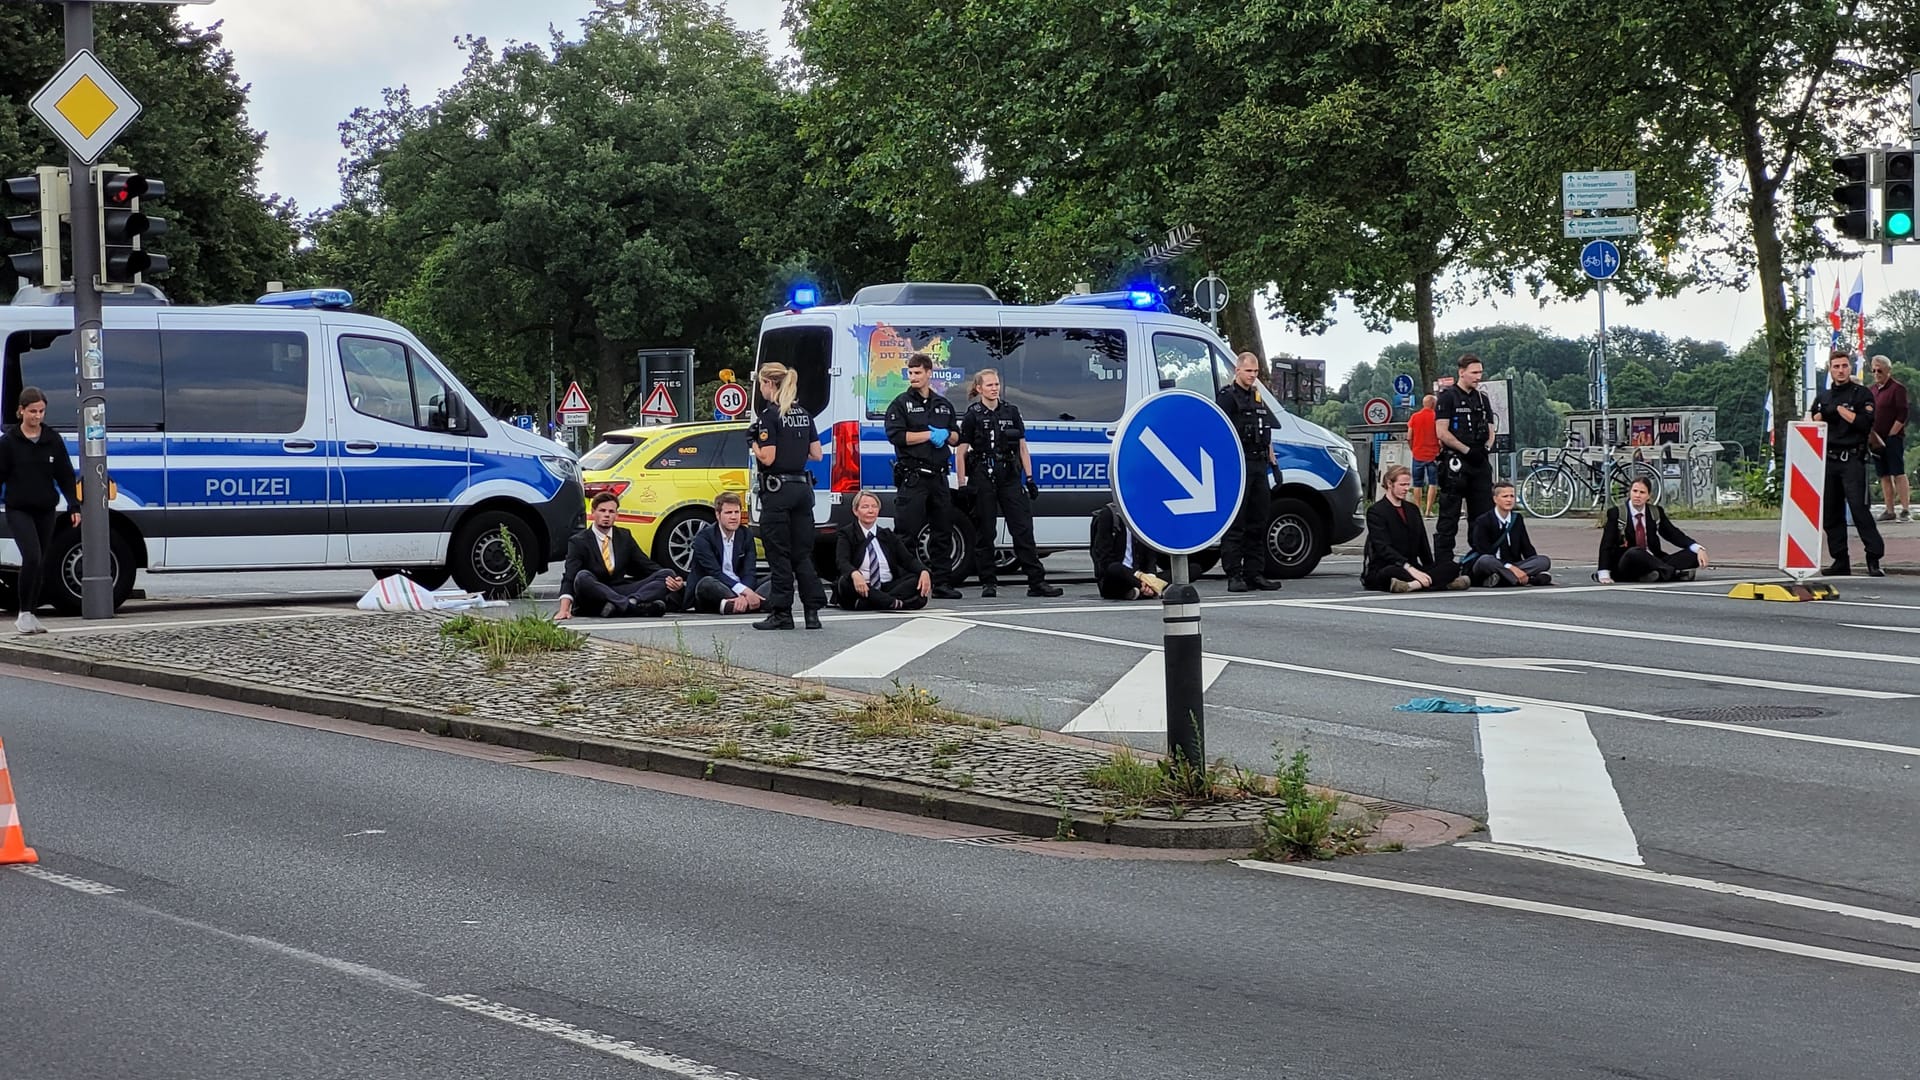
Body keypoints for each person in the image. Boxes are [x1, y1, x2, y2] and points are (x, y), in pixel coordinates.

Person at [955, 368, 1061, 598]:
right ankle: (988, 583)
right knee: (986, 531)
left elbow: (1022, 447)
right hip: (983, 475)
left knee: (1022, 529)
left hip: (1009, 475)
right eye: (989, 385)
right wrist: (962, 483)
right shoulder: (973, 415)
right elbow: (960, 452)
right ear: (979, 388)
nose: (994, 388)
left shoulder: (1011, 411)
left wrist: (1030, 478)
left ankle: (1036, 582)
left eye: (996, 384)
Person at [748, 362, 829, 628]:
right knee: (802, 553)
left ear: (769, 384)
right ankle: (812, 612)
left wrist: (754, 444)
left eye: (762, 384)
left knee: (779, 552)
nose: (761, 389)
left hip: (778, 491)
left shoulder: (770, 416)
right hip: (802, 490)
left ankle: (781, 613)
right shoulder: (805, 414)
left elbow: (768, 457)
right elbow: (816, 454)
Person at [883, 352, 963, 599]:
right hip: (914, 476)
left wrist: (945, 435)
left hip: (938, 477)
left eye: (918, 373)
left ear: (929, 373)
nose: (914, 377)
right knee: (906, 533)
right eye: (911, 372)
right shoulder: (900, 403)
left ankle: (942, 583)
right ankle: (905, 583)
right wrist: (928, 435)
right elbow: (898, 436)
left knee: (942, 532)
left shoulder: (942, 404)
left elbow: (956, 436)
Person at [0, 387, 80, 633]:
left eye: (41, 411)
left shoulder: (52, 439)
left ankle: (31, 612)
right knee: (31, 556)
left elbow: (65, 474)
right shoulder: (9, 442)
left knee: (40, 562)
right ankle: (23, 614)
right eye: (32, 411)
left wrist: (73, 505)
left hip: (46, 509)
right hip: (18, 509)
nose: (37, 416)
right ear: (21, 411)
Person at [1810, 349, 1885, 576]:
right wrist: (1824, 415)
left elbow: (1864, 423)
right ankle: (1840, 560)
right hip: (1829, 459)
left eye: (1844, 366)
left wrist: (1840, 411)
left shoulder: (1862, 394)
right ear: (1830, 369)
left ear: (1849, 367)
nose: (1840, 370)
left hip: (1852, 458)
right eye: (1836, 367)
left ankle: (1873, 558)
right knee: (1831, 514)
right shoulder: (1823, 397)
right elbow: (1814, 422)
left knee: (1859, 511)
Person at [554, 492, 681, 619]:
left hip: (620, 590)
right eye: (602, 511)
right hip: (594, 594)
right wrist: (564, 609)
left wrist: (674, 579)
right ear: (593, 512)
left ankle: (628, 603)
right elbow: (570, 577)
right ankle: (633, 607)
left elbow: (646, 565)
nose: (606, 515)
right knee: (582, 577)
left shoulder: (624, 536)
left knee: (666, 574)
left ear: (616, 514)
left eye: (611, 512)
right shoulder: (578, 541)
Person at [1216, 351, 1281, 593]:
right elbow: (1220, 432)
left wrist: (1272, 458)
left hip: (1258, 463)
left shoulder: (1256, 396)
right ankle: (1234, 574)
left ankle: (1255, 573)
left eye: (1255, 372)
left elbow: (1264, 429)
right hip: (1237, 465)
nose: (1253, 376)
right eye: (1248, 371)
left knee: (1259, 520)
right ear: (1237, 370)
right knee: (1237, 523)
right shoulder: (1227, 397)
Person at [1432, 354, 1497, 582]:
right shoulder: (1448, 397)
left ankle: (1479, 563)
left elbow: (1491, 428)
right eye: (1474, 373)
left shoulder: (1481, 398)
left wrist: (1485, 448)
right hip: (1456, 461)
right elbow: (1442, 431)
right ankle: (1443, 564)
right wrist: (1466, 450)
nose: (1478, 377)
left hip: (1479, 461)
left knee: (1482, 516)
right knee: (1449, 516)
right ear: (1462, 372)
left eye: (1480, 373)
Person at [1363, 464, 1462, 593]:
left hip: (1413, 566)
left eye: (1407, 484)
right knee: (1390, 573)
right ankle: (1441, 583)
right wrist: (1409, 568)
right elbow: (1383, 548)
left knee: (1451, 567)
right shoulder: (1376, 511)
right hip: (1389, 566)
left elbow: (1423, 544)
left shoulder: (1412, 509)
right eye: (1402, 485)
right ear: (1389, 484)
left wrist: (1428, 568)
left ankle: (1413, 585)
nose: (1406, 489)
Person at [1595, 477, 1709, 583]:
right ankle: (1673, 573)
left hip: (1654, 560)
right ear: (1630, 492)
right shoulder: (1617, 513)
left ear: (1649, 496)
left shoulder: (1655, 512)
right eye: (1635, 491)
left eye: (1642, 492)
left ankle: (1656, 574)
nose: (1637, 495)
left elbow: (1673, 534)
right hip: (1628, 562)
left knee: (1693, 555)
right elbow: (1606, 544)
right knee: (1635, 552)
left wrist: (1697, 548)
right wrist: (1603, 572)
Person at [833, 488, 931, 611]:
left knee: (916, 581)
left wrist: (924, 571)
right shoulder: (847, 534)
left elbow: (907, 560)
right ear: (855, 511)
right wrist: (855, 574)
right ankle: (894, 603)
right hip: (862, 586)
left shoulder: (887, 535)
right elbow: (842, 561)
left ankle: (872, 603)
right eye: (865, 507)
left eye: (874, 507)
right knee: (845, 582)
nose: (870, 511)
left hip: (888, 586)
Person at [687, 491, 763, 615]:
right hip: (719, 585)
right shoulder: (704, 537)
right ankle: (755, 604)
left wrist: (746, 591)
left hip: (742, 585)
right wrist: (745, 592)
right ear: (718, 515)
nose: (733, 517)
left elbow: (750, 571)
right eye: (728, 513)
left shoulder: (745, 534)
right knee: (706, 583)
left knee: (778, 579)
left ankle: (732, 606)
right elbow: (715, 573)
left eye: (736, 512)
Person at [1464, 481, 1551, 586]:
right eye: (1505, 496)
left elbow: (1526, 547)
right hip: (1493, 564)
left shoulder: (1517, 519)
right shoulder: (1483, 521)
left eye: (1512, 496)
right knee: (1485, 560)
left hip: (1514, 564)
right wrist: (1510, 567)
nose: (1509, 500)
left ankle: (1502, 579)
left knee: (1544, 561)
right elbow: (1483, 551)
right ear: (1495, 499)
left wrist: (1535, 565)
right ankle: (1527, 580)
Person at [1089, 501, 1169, 601]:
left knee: (1193, 569)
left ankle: (1139, 591)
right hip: (1117, 577)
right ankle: (1148, 589)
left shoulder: (1143, 515)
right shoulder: (1109, 515)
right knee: (1115, 568)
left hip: (1143, 575)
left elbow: (1150, 552)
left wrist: (1150, 575)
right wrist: (1139, 578)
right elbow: (1104, 559)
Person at [1868, 354, 1910, 522]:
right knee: (1883, 474)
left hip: (1893, 437)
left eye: (1880, 370)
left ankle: (1905, 509)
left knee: (1898, 472)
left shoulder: (1897, 389)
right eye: (1874, 370)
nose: (1877, 373)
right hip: (1876, 439)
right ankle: (1889, 509)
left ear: (1888, 371)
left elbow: (1903, 413)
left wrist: (1893, 433)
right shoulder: (1872, 390)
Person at [1407, 393, 1440, 514]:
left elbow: (1409, 436)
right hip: (1433, 455)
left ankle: (1418, 509)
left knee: (1417, 483)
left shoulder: (1415, 417)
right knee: (1433, 482)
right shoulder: (1437, 417)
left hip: (1417, 454)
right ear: (1433, 404)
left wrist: (1413, 448)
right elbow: (1440, 436)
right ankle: (1428, 510)